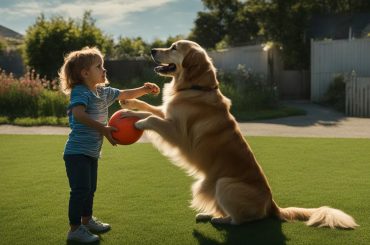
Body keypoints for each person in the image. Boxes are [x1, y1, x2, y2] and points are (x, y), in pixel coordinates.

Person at [59, 47, 159, 243]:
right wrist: (103, 129)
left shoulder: (103, 92)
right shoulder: (81, 91)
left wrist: (144, 90)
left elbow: (125, 94)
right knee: (80, 190)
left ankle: (87, 221)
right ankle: (74, 230)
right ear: (85, 73)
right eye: (99, 66)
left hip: (91, 152)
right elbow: (79, 115)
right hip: (76, 152)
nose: (104, 70)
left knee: (90, 189)